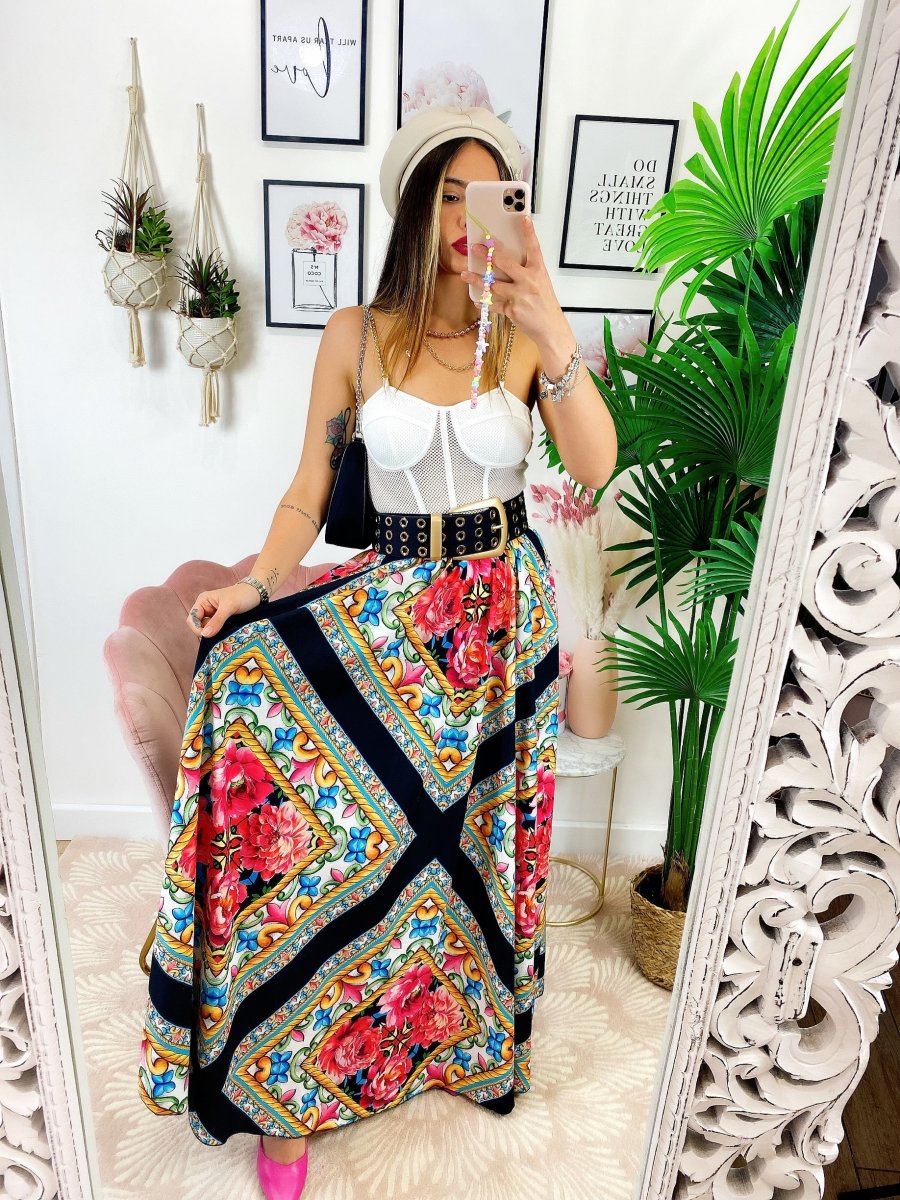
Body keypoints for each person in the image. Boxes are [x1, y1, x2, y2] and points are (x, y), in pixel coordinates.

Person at [137, 104, 616, 1200]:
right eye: (448, 195)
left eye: (488, 198)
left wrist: (552, 326)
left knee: (468, 852)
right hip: (392, 609)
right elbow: (310, 489)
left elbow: (593, 466)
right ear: (413, 205)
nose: (465, 221)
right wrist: (256, 585)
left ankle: (456, 1045)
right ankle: (280, 1080)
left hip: (500, 626)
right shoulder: (355, 333)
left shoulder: (523, 335)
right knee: (311, 821)